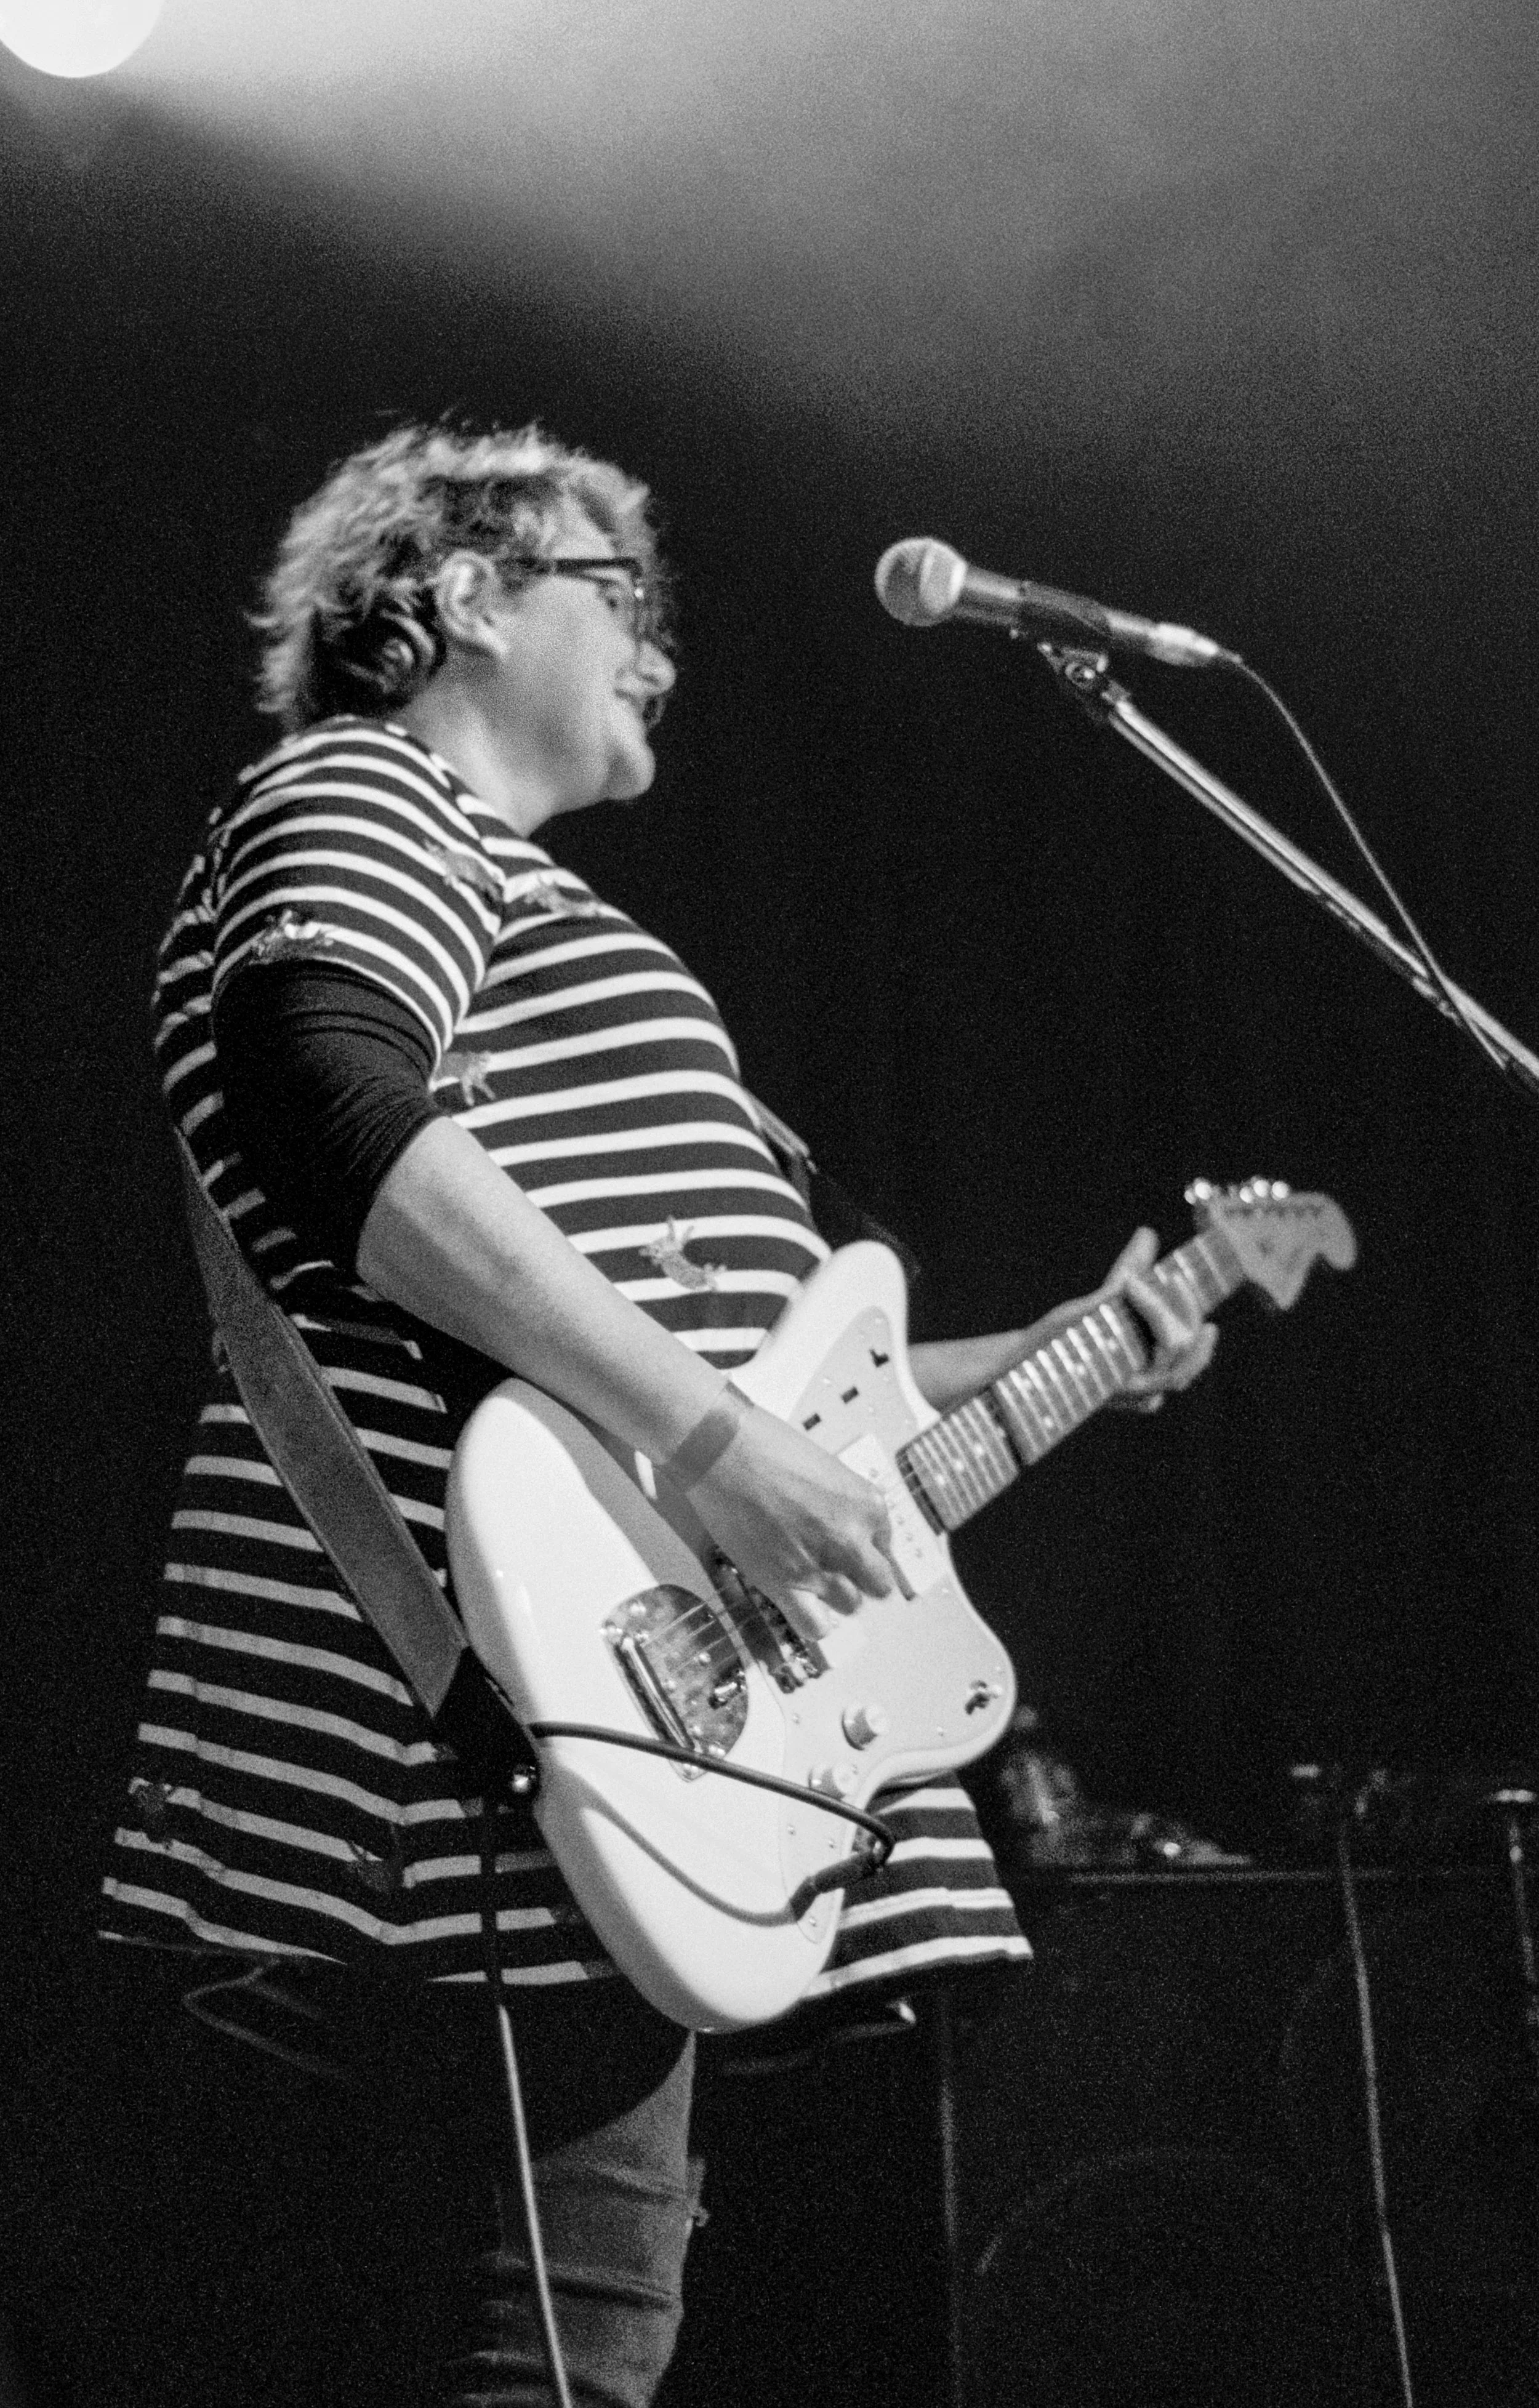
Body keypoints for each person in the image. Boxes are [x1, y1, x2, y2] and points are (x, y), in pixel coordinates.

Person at [58, 425, 1214, 2408]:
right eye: (624, 595)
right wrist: (707, 1445)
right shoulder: (360, 791)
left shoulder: (551, 923)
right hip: (427, 1796)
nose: (669, 651)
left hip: (591, 1778)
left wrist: (1078, 1346)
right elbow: (329, 1102)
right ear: (462, 596)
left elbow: (796, 1400)